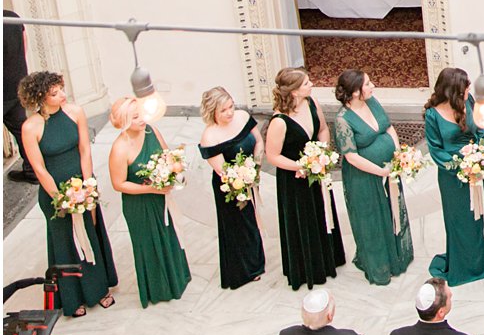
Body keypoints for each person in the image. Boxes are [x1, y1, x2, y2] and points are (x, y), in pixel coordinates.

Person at [17, 71, 118, 315]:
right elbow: (39, 169)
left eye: (61, 89)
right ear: (40, 97)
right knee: (64, 241)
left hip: (81, 182)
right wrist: (61, 199)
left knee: (90, 233)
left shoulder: (75, 112)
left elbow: (84, 149)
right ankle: (73, 298)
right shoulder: (30, 127)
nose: (63, 95)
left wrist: (87, 184)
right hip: (55, 192)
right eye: (55, 93)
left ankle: (98, 289)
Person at [266, 66, 347, 290]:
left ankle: (329, 257)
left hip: (315, 170)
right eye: (306, 83)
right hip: (295, 179)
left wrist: (321, 151)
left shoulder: (311, 103)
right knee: (303, 218)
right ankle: (306, 268)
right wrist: (302, 165)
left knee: (322, 212)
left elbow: (322, 129)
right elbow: (272, 155)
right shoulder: (279, 122)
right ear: (293, 92)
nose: (311, 84)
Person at [424, 66, 484, 286]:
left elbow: (481, 131)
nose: (469, 88)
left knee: (481, 217)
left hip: (477, 170)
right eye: (465, 85)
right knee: (460, 220)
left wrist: (480, 157)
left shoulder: (469, 103)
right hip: (453, 178)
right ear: (452, 90)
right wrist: (461, 165)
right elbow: (436, 150)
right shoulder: (432, 115)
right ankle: (465, 265)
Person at [106, 97, 191, 306]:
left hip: (158, 196)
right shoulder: (119, 148)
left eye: (142, 113)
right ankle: (158, 288)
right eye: (135, 117)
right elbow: (119, 183)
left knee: (168, 235)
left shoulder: (151, 131)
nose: (142, 119)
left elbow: (167, 156)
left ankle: (176, 280)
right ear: (124, 121)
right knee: (149, 245)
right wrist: (150, 188)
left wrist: (171, 172)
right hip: (139, 204)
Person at [333, 70, 414, 286]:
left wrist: (397, 154)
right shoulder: (343, 120)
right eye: (368, 84)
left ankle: (397, 257)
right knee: (372, 221)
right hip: (364, 179)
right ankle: (379, 266)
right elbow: (351, 157)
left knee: (391, 211)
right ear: (356, 92)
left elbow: (388, 127)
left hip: (389, 170)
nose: (373, 86)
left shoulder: (372, 102)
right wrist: (381, 171)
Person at [198, 85, 267, 288]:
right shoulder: (210, 136)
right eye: (223, 110)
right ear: (213, 112)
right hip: (230, 187)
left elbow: (258, 141)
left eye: (231, 106)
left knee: (252, 220)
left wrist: (255, 164)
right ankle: (243, 270)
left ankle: (256, 262)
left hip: (249, 176)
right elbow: (223, 171)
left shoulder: (243, 117)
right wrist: (243, 178)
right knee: (238, 225)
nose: (229, 113)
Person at [4, 10, 37, 183]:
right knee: (21, 130)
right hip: (17, 84)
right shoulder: (13, 17)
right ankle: (32, 171)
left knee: (21, 130)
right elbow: (24, 48)